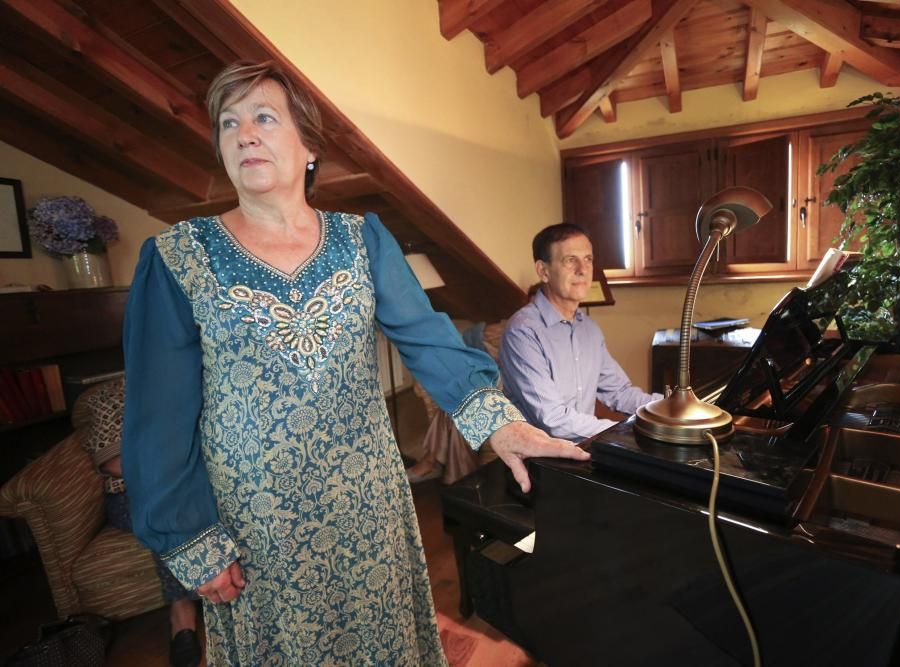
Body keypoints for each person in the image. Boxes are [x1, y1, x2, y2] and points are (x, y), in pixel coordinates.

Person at [120, 60, 588, 666]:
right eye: (228, 123)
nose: (244, 134)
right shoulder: (177, 257)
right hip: (259, 523)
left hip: (370, 506)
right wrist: (188, 536)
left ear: (308, 145)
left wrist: (503, 424)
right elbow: (158, 413)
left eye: (264, 117)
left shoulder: (361, 239)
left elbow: (427, 339)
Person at [75, 378, 201, 667]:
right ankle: (181, 613)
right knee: (164, 511)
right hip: (132, 494)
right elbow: (112, 463)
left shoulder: (186, 383)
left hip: (185, 485)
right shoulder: (109, 396)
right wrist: (170, 471)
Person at [500, 223, 664, 441]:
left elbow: (619, 392)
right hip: (539, 461)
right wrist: (626, 431)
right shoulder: (522, 331)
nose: (583, 269)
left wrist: (668, 408)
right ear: (543, 271)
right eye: (570, 260)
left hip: (583, 450)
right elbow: (553, 420)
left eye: (588, 259)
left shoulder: (589, 329)